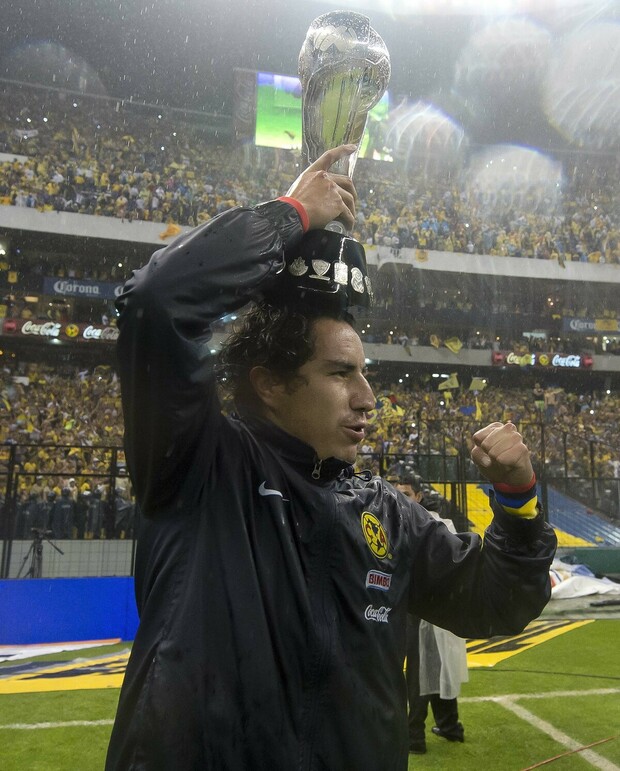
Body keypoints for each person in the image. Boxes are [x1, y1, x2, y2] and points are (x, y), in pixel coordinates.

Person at [106, 145, 556, 771]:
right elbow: (158, 300)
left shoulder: (384, 514)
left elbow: (496, 602)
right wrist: (290, 215)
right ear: (268, 383)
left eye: (364, 373)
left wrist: (518, 500)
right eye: (341, 374)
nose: (368, 399)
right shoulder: (198, 466)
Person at [393, 475, 467, 755]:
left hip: (421, 610)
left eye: (407, 493)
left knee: (420, 674)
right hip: (436, 609)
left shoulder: (429, 523)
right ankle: (450, 726)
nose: (402, 497)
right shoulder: (436, 523)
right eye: (398, 492)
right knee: (436, 668)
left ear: (419, 496)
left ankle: (415, 737)